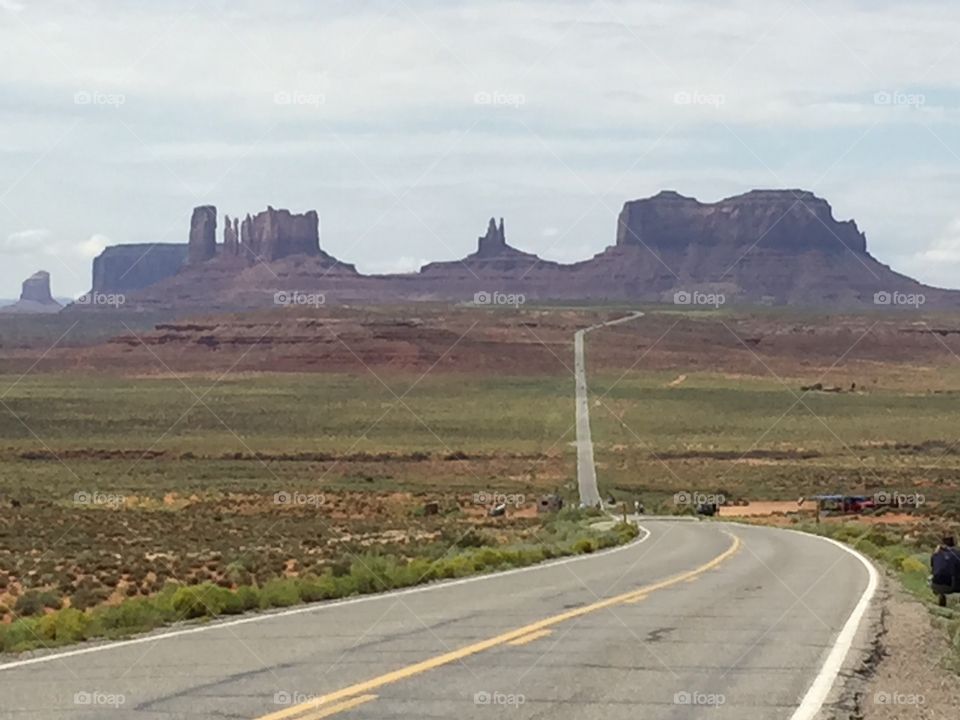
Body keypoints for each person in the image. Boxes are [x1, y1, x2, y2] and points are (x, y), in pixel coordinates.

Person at [930, 536, 960, 606]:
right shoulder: (957, 554)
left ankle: (941, 595)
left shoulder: (936, 554)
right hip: (951, 585)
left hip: (935, 584)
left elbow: (933, 566)